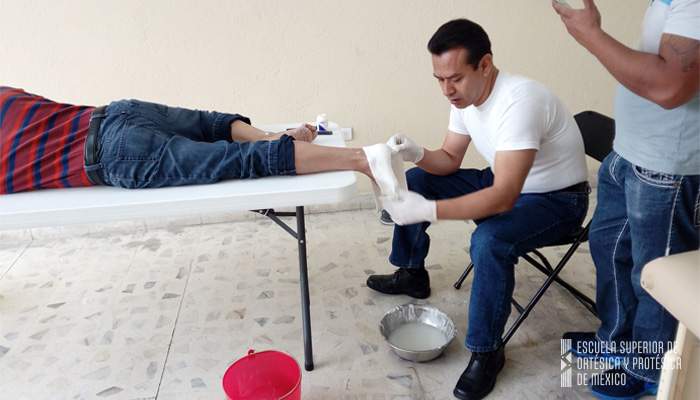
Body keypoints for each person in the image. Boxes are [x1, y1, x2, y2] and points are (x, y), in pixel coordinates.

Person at [369, 19, 590, 400]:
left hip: (557, 200)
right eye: (439, 79)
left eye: (455, 78)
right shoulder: (465, 99)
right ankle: (412, 273)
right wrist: (417, 153)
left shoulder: (520, 101)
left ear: (485, 65)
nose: (446, 90)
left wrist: (430, 210)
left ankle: (487, 352)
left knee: (489, 240)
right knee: (419, 179)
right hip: (508, 181)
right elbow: (450, 158)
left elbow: (503, 197)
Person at [551, 0, 699, 398]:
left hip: (669, 166)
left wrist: (591, 35)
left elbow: (670, 87)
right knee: (609, 248)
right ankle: (616, 339)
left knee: (655, 276)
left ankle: (651, 368)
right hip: (629, 152)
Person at [0, 86, 398, 195]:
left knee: (239, 160)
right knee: (210, 125)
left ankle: (362, 159)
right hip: (119, 112)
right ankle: (271, 136)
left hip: (114, 156)